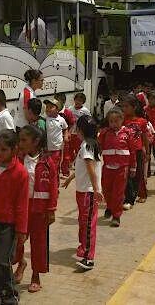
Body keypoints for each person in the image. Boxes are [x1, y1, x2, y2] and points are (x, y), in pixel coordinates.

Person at [0, 129, 29, 305]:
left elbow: (22, 204)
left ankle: (10, 296)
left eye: (4, 149)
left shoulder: (20, 173)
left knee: (2, 261)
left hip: (8, 225)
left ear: (14, 149)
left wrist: (21, 230)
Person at [13, 126, 58, 293]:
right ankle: (21, 263)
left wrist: (51, 209)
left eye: (24, 140)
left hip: (40, 209)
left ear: (36, 142)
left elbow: (53, 186)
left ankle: (35, 275)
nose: (20, 143)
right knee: (18, 240)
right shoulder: (18, 159)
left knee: (38, 243)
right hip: (22, 208)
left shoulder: (47, 162)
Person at [61, 115, 103, 271]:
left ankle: (89, 258)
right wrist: (71, 178)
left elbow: (91, 168)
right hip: (83, 191)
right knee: (83, 222)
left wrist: (96, 189)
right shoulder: (88, 145)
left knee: (88, 224)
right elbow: (84, 168)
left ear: (81, 130)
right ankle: (83, 248)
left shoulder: (87, 146)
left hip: (88, 192)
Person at [98, 107, 132, 227]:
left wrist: (133, 167)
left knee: (118, 193)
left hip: (122, 168)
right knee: (107, 190)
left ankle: (116, 216)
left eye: (116, 121)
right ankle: (109, 206)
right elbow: (98, 147)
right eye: (111, 121)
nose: (113, 124)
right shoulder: (104, 133)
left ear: (122, 120)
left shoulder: (127, 133)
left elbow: (132, 150)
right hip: (108, 167)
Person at [120, 95, 153, 208]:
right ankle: (128, 196)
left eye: (127, 106)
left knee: (138, 174)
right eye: (123, 106)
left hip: (137, 151)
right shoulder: (122, 119)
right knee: (126, 175)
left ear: (134, 107)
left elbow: (145, 137)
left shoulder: (142, 121)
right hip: (125, 151)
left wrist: (147, 152)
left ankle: (140, 195)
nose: (124, 109)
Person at [43, 98, 70, 176]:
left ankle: (55, 181)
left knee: (55, 167)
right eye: (47, 107)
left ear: (57, 109)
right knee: (47, 166)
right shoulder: (45, 119)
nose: (48, 109)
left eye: (51, 107)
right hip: (47, 149)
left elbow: (65, 128)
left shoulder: (61, 120)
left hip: (57, 148)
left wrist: (66, 136)